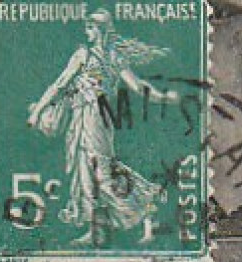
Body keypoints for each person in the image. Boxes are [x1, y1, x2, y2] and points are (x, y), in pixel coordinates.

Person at [27, 11, 179, 245]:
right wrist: (38, 110)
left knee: (103, 174)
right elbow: (60, 85)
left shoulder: (104, 56)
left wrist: (163, 97)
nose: (87, 32)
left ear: (101, 30)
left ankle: (148, 204)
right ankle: (94, 230)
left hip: (97, 119)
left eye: (90, 28)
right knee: (86, 173)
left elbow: (138, 86)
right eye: (87, 27)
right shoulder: (92, 55)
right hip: (83, 118)